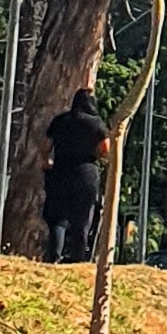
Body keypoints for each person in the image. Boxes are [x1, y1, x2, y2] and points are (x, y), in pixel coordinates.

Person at [44, 88, 109, 263]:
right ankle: (78, 258)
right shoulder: (96, 123)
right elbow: (105, 149)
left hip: (61, 171)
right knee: (82, 219)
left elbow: (46, 147)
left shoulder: (60, 121)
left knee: (59, 218)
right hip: (86, 173)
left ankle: (54, 256)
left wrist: (47, 163)